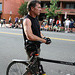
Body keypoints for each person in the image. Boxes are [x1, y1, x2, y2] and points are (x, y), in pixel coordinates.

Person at [22, 1, 51, 75]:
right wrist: (43, 41)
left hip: (36, 47)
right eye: (38, 7)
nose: (40, 9)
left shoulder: (35, 19)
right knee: (32, 70)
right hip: (31, 48)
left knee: (36, 69)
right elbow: (30, 36)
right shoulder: (27, 20)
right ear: (32, 8)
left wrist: (44, 37)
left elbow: (38, 32)